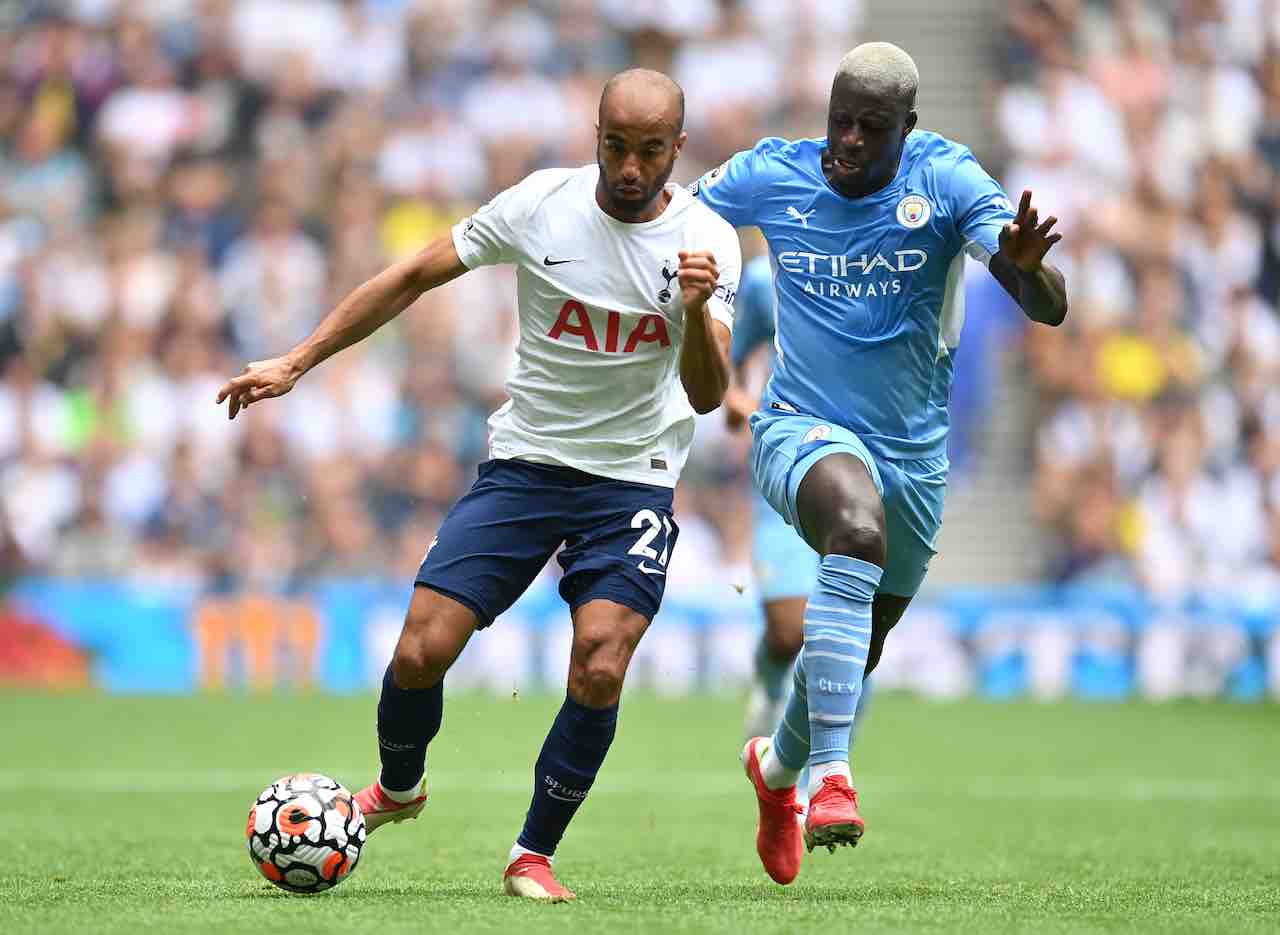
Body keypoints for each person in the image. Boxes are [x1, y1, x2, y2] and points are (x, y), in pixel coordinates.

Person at [216, 68, 741, 903]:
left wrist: (693, 309)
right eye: (616, 146)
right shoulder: (541, 206)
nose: (631, 167)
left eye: (650, 150)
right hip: (526, 462)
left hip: (631, 479)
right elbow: (413, 273)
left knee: (601, 663)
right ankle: (398, 785)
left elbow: (710, 394)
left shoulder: (708, 242)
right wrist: (296, 360)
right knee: (421, 648)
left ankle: (532, 852)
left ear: (678, 147)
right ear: (593, 136)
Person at [693, 42, 1067, 885]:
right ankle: (832, 777)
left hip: (914, 458)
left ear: (909, 128)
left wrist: (1029, 272)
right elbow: (679, 214)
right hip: (799, 429)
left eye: (870, 127)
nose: (849, 141)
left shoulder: (945, 179)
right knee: (852, 530)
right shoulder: (774, 175)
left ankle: (777, 769)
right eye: (839, 122)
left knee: (852, 652)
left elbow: (1042, 298)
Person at [725, 255, 873, 751]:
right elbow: (732, 357)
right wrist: (738, 401)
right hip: (790, 457)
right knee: (790, 631)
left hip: (869, 461)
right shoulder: (766, 279)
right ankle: (769, 686)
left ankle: (825, 771)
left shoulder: (886, 267)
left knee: (854, 630)